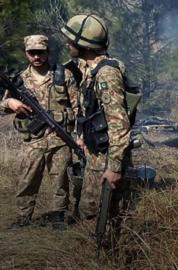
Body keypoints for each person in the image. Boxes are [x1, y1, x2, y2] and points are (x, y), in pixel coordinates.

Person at [0, 35, 78, 229]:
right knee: (27, 180)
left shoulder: (62, 75)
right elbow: (2, 105)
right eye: (31, 52)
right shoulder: (19, 80)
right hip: (32, 141)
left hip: (59, 138)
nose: (36, 56)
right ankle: (23, 217)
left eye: (40, 52)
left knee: (60, 179)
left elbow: (78, 107)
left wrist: (80, 136)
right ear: (26, 53)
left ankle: (58, 216)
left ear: (47, 52)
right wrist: (10, 102)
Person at [60, 15, 133, 220]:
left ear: (85, 44)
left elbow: (119, 125)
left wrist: (114, 168)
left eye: (72, 41)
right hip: (95, 153)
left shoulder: (106, 74)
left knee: (101, 214)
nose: (67, 44)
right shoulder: (88, 69)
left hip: (106, 158)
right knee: (89, 210)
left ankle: (108, 250)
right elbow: (89, 110)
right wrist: (82, 136)